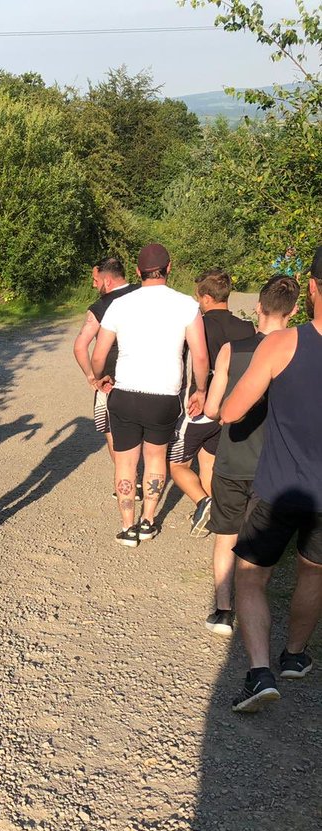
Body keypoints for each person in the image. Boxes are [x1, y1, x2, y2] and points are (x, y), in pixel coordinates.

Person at [221, 244, 322, 713]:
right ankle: (295, 656)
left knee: (250, 577)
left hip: (278, 488)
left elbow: (232, 411)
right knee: (313, 572)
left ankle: (260, 672)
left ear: (313, 288)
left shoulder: (282, 344)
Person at [91, 243, 210, 547]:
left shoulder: (120, 305)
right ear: (169, 268)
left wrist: (100, 377)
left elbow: (98, 354)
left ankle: (127, 527)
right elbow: (200, 356)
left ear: (137, 271)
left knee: (125, 462)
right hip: (164, 396)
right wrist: (200, 390)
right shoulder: (186, 305)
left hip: (125, 392)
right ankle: (147, 521)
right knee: (156, 457)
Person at [202, 274, 300, 637]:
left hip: (232, 459)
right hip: (273, 465)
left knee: (226, 534)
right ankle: (253, 602)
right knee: (258, 541)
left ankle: (223, 610)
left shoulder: (232, 349)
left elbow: (212, 409)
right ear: (293, 312)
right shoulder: (296, 353)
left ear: (258, 306)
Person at [168, 268, 254, 537]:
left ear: (206, 298)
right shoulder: (246, 327)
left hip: (199, 405)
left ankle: (203, 501)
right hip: (230, 407)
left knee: (176, 465)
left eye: (198, 296)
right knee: (208, 464)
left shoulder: (198, 325)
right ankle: (215, 516)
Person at [72, 256, 139, 482]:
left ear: (107, 281)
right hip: (148, 375)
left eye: (95, 280)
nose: (93, 285)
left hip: (111, 379)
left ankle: (129, 480)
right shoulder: (143, 293)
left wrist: (92, 376)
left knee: (113, 432)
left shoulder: (100, 307)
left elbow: (80, 346)